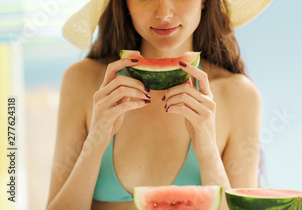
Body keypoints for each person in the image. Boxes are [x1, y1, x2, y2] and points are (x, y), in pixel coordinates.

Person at [46, 0, 272, 209]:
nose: (164, 13)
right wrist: (94, 145)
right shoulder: (82, 82)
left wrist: (208, 153)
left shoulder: (240, 95)